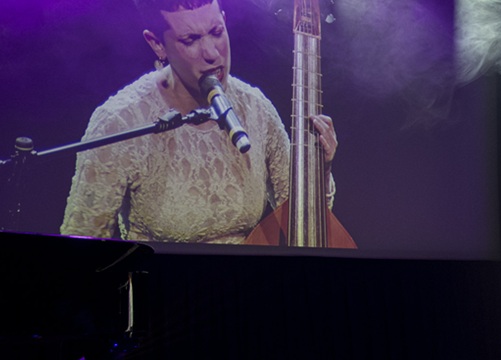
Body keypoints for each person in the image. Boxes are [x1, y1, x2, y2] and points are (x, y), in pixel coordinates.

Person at [60, 0, 339, 243]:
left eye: (217, 32)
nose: (212, 53)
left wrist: (319, 169)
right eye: (190, 40)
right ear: (157, 44)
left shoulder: (255, 108)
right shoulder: (120, 121)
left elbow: (302, 224)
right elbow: (82, 241)